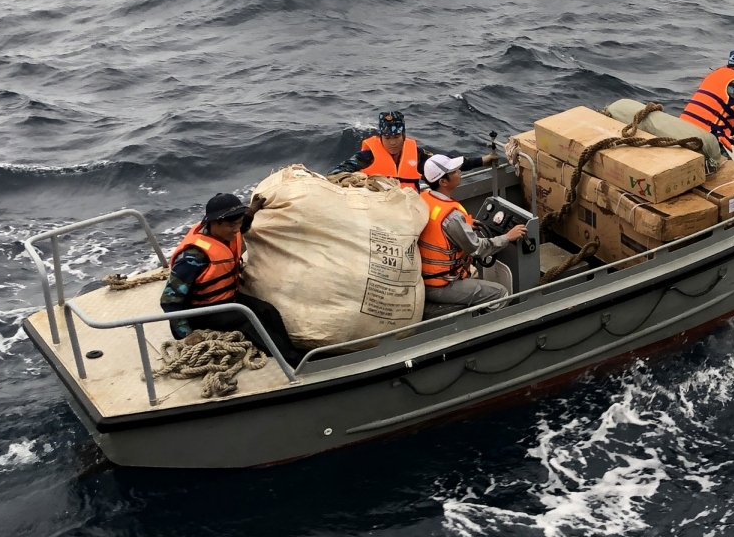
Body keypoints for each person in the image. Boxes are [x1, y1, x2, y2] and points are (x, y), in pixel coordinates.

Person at [160, 192, 305, 367]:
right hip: (202, 311)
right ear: (214, 223)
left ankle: (291, 351)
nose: (236, 229)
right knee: (244, 319)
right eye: (231, 225)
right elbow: (169, 300)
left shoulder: (229, 232)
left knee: (268, 311)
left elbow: (242, 226)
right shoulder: (193, 257)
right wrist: (186, 333)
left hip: (227, 299)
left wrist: (252, 210)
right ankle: (292, 361)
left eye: (238, 223)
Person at [418, 154, 527, 315]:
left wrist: (465, 226)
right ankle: (483, 329)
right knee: (501, 294)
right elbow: (476, 249)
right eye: (454, 171)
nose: (459, 172)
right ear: (443, 182)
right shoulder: (452, 216)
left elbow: (439, 228)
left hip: (425, 279)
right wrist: (508, 237)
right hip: (441, 285)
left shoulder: (425, 197)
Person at [328, 110, 499, 190]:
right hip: (377, 211)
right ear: (381, 138)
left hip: (410, 212)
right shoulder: (367, 156)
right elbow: (336, 173)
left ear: (403, 135)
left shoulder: (416, 155)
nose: (392, 143)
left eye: (396, 138)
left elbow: (445, 164)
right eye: (387, 139)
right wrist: (363, 183)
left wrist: (482, 161)